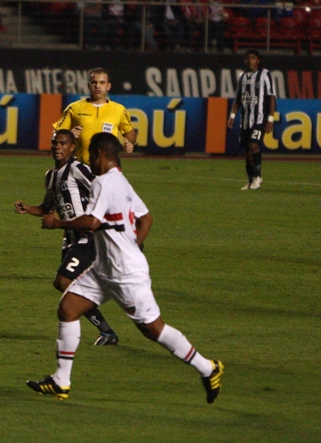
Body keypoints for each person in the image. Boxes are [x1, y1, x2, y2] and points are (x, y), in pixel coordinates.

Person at [26, 132, 224, 403]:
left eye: (91, 156)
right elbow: (146, 219)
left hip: (124, 273)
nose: (90, 162)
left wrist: (57, 223)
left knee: (153, 330)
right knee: (68, 308)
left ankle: (207, 367)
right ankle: (61, 381)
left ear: (99, 154)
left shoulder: (105, 183)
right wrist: (133, 246)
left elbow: (92, 223)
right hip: (104, 268)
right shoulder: (122, 182)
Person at [15, 130, 120, 346]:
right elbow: (47, 207)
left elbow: (103, 189)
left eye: (62, 143)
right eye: (54, 143)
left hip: (88, 237)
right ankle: (107, 331)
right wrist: (29, 208)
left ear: (72, 148)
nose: (57, 147)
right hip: (70, 239)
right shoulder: (51, 176)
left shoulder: (77, 168)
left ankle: (106, 329)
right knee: (69, 287)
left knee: (64, 282)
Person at [53, 67, 136, 165]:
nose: (98, 86)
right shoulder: (74, 108)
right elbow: (56, 135)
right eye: (94, 82)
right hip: (81, 168)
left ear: (108, 86)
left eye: (102, 83)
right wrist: (70, 136)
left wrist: (129, 142)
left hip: (108, 168)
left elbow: (130, 133)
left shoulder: (119, 109)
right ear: (89, 85)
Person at [227, 49, 276, 190]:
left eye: (253, 58)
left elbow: (271, 97)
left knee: (254, 145)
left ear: (258, 60)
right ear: (245, 60)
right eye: (248, 58)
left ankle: (258, 176)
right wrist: (232, 116)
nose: (250, 60)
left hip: (259, 119)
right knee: (247, 151)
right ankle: (250, 180)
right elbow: (238, 99)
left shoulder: (265, 74)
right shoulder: (241, 77)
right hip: (245, 120)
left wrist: (270, 119)